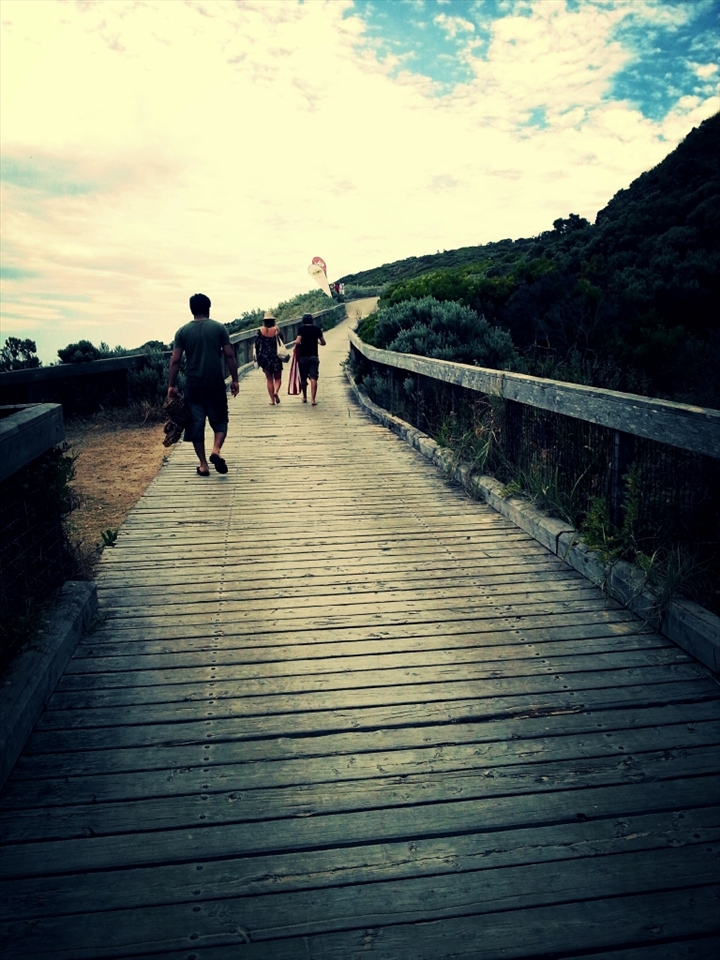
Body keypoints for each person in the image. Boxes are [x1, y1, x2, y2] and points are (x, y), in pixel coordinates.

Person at [167, 292, 239, 477]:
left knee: (196, 424)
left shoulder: (182, 332)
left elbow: (175, 360)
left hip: (193, 385)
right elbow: (229, 355)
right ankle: (216, 450)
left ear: (191, 309)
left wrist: (171, 385)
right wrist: (235, 380)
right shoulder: (219, 328)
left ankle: (203, 465)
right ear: (208, 308)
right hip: (215, 383)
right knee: (220, 420)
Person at [254, 310, 285, 405]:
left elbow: (257, 344)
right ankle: (276, 391)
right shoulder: (276, 330)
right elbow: (282, 341)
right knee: (278, 378)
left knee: (269, 379)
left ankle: (272, 400)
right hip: (276, 356)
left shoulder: (260, 331)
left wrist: (257, 357)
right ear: (273, 320)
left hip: (264, 358)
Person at [294, 313, 326, 405]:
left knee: (303, 378)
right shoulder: (317, 330)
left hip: (303, 357)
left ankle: (304, 397)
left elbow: (298, 341)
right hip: (314, 356)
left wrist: (296, 343)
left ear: (303, 321)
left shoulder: (301, 330)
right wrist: (318, 342)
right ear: (312, 320)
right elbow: (323, 342)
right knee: (313, 377)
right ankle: (313, 399)